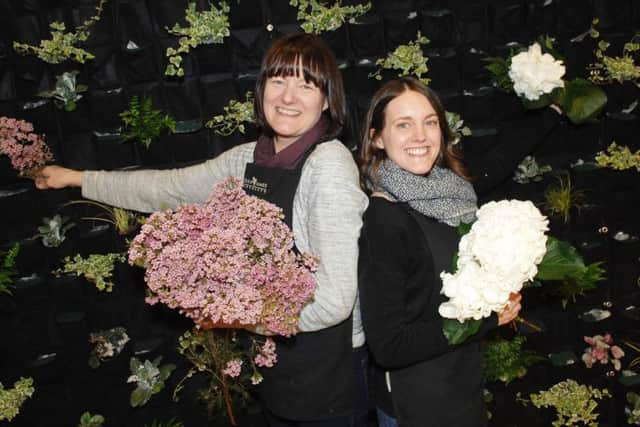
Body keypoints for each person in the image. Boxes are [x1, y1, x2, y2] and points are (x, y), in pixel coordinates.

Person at [36, 33, 369, 427]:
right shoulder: (249, 158)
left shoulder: (327, 167)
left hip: (325, 368)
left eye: (306, 85)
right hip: (279, 361)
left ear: (328, 100)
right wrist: (77, 178)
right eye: (278, 81)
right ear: (261, 90)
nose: (288, 97)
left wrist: (234, 315)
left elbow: (333, 302)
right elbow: (169, 188)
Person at [357, 76, 522, 427]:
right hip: (418, 405)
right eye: (404, 125)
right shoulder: (385, 220)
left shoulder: (452, 196)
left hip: (461, 387)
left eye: (430, 122)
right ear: (377, 138)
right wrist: (487, 319)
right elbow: (391, 345)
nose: (420, 136)